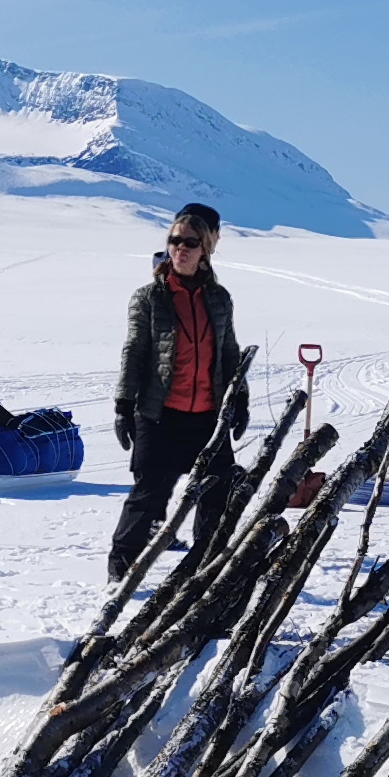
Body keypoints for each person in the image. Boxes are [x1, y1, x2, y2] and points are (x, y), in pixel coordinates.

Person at [110, 202, 250, 574]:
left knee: (216, 491)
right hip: (160, 415)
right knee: (148, 494)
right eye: (175, 241)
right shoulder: (150, 297)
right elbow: (134, 351)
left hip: (207, 416)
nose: (181, 249)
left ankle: (203, 567)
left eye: (190, 242)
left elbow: (229, 351)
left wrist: (241, 399)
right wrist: (124, 405)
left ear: (205, 248)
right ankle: (120, 568)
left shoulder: (218, 299)